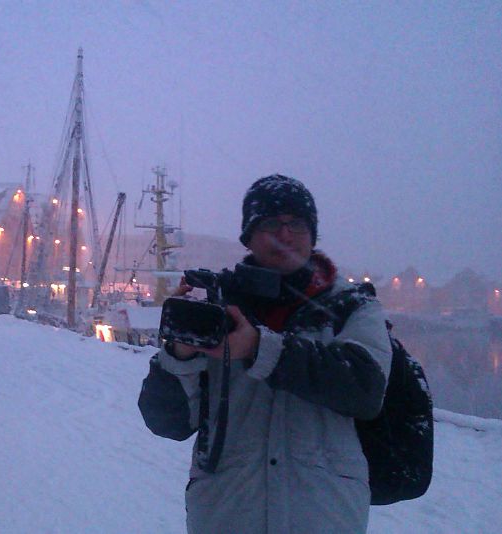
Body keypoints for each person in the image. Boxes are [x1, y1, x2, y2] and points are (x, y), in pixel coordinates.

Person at [138, 174, 392, 533]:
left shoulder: (352, 307)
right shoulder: (217, 306)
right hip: (227, 516)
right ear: (249, 237)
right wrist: (182, 352)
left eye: (296, 224)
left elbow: (365, 389)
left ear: (312, 235)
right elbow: (167, 422)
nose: (285, 235)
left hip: (324, 520)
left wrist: (260, 348)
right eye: (271, 224)